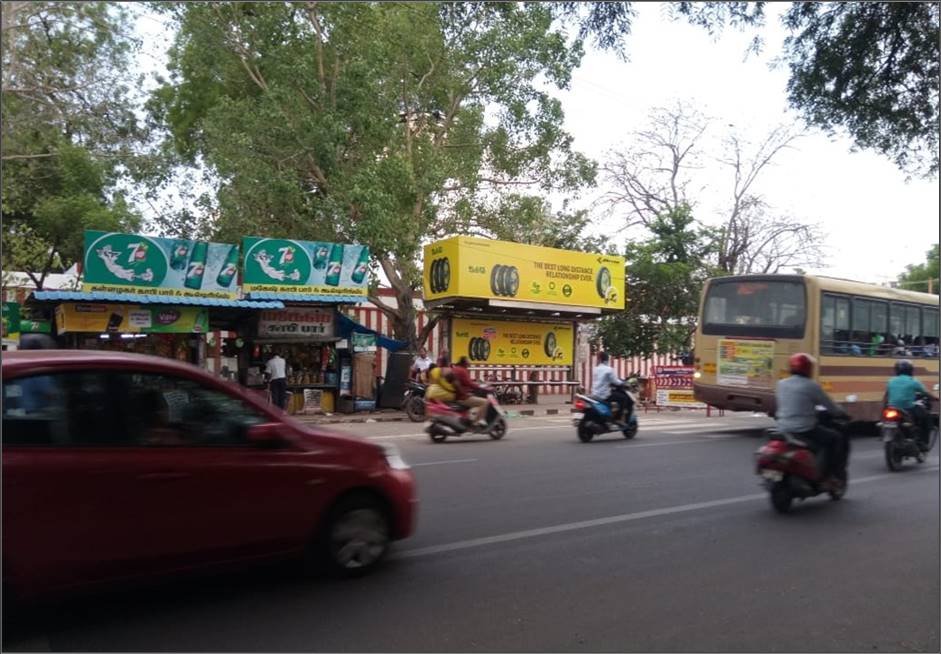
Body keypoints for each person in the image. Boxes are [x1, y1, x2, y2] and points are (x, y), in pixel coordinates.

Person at [774, 353, 849, 483]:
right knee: (835, 438)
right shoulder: (810, 385)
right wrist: (842, 413)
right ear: (808, 369)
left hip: (782, 426)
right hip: (804, 429)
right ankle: (829, 474)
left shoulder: (781, 384)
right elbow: (830, 407)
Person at [886, 359, 938, 448]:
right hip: (908, 408)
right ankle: (923, 443)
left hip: (891, 408)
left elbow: (886, 396)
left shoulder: (891, 381)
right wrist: (936, 398)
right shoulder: (913, 381)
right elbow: (926, 393)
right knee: (926, 417)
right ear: (910, 370)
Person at [591, 352, 632, 426]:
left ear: (599, 359)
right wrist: (624, 383)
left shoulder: (595, 369)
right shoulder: (609, 369)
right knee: (624, 398)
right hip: (604, 394)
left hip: (595, 393)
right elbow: (615, 381)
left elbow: (602, 380)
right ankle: (618, 419)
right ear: (607, 359)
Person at [452, 356, 489, 428]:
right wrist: (480, 386)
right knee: (485, 402)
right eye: (468, 361)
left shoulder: (455, 369)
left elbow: (466, 383)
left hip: (457, 395)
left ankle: (471, 416)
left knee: (475, 399)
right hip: (463, 396)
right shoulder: (462, 371)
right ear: (465, 363)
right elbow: (469, 383)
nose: (469, 363)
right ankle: (476, 422)